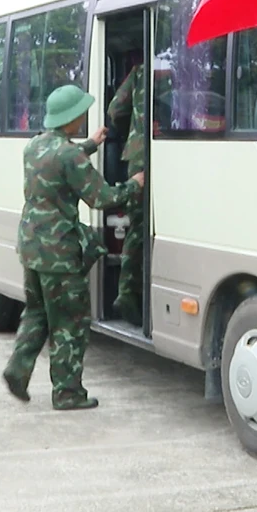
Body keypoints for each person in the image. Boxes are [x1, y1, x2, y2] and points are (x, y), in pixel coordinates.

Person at [3, 85, 143, 410]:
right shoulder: (70, 155)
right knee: (70, 324)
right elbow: (102, 198)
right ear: (71, 117)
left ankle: (17, 369)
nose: (83, 115)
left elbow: (61, 160)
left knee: (36, 312)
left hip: (31, 246)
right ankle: (67, 393)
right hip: (60, 252)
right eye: (80, 111)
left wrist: (91, 145)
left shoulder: (35, 146)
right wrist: (133, 185)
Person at [106, 62, 147, 325]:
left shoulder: (142, 71)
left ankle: (128, 291)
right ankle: (130, 293)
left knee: (139, 226)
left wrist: (130, 130)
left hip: (140, 153)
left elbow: (115, 110)